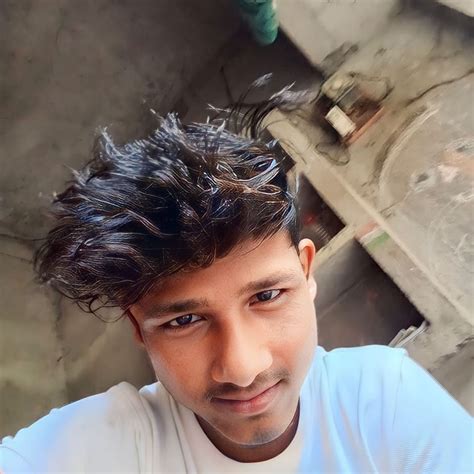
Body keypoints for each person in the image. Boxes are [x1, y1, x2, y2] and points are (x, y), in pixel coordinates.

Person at [0, 102, 472, 473]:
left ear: (306, 271)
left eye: (266, 296)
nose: (243, 369)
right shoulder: (107, 445)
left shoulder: (384, 398)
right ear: (138, 328)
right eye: (185, 320)